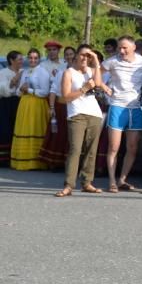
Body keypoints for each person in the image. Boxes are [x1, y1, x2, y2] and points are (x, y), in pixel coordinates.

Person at [102, 36, 142, 192]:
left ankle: (122, 179)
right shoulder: (112, 61)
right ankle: (112, 181)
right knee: (114, 147)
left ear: (133, 47)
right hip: (117, 106)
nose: (121, 51)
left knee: (132, 147)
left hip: (135, 108)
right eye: (119, 48)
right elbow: (96, 73)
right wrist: (105, 88)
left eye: (125, 48)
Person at [55, 46, 109, 197]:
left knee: (91, 150)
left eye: (88, 56)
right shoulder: (68, 73)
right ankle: (69, 185)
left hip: (94, 114)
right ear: (76, 57)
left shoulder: (91, 71)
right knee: (75, 150)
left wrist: (96, 61)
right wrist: (83, 89)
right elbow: (65, 97)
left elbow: (98, 84)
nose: (85, 58)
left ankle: (87, 182)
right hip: (77, 114)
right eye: (83, 55)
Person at [11, 49, 51, 171]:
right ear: (28, 59)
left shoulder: (43, 72)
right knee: (24, 129)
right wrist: (21, 89)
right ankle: (23, 160)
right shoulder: (25, 71)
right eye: (30, 58)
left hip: (37, 104)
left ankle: (36, 162)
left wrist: (28, 90)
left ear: (39, 59)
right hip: (25, 104)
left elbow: (45, 92)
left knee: (35, 128)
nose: (33, 60)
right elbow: (19, 90)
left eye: (35, 58)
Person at [0, 51, 22, 167]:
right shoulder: (3, 72)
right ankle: (4, 158)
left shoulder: (23, 72)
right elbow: (3, 89)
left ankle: (15, 156)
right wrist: (13, 81)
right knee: (5, 130)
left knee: (17, 128)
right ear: (12, 61)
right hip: (6, 103)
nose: (21, 61)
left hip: (19, 102)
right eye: (19, 59)